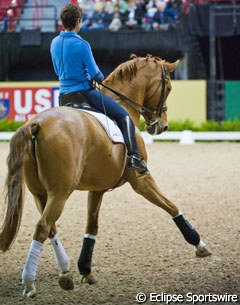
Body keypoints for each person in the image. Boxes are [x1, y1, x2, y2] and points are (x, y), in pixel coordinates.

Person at [50, 3, 149, 175]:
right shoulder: (82, 44)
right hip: (85, 94)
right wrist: (94, 77)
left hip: (64, 96)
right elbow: (96, 74)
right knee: (124, 116)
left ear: (63, 21)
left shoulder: (54, 42)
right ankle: (134, 157)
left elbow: (57, 70)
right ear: (78, 21)